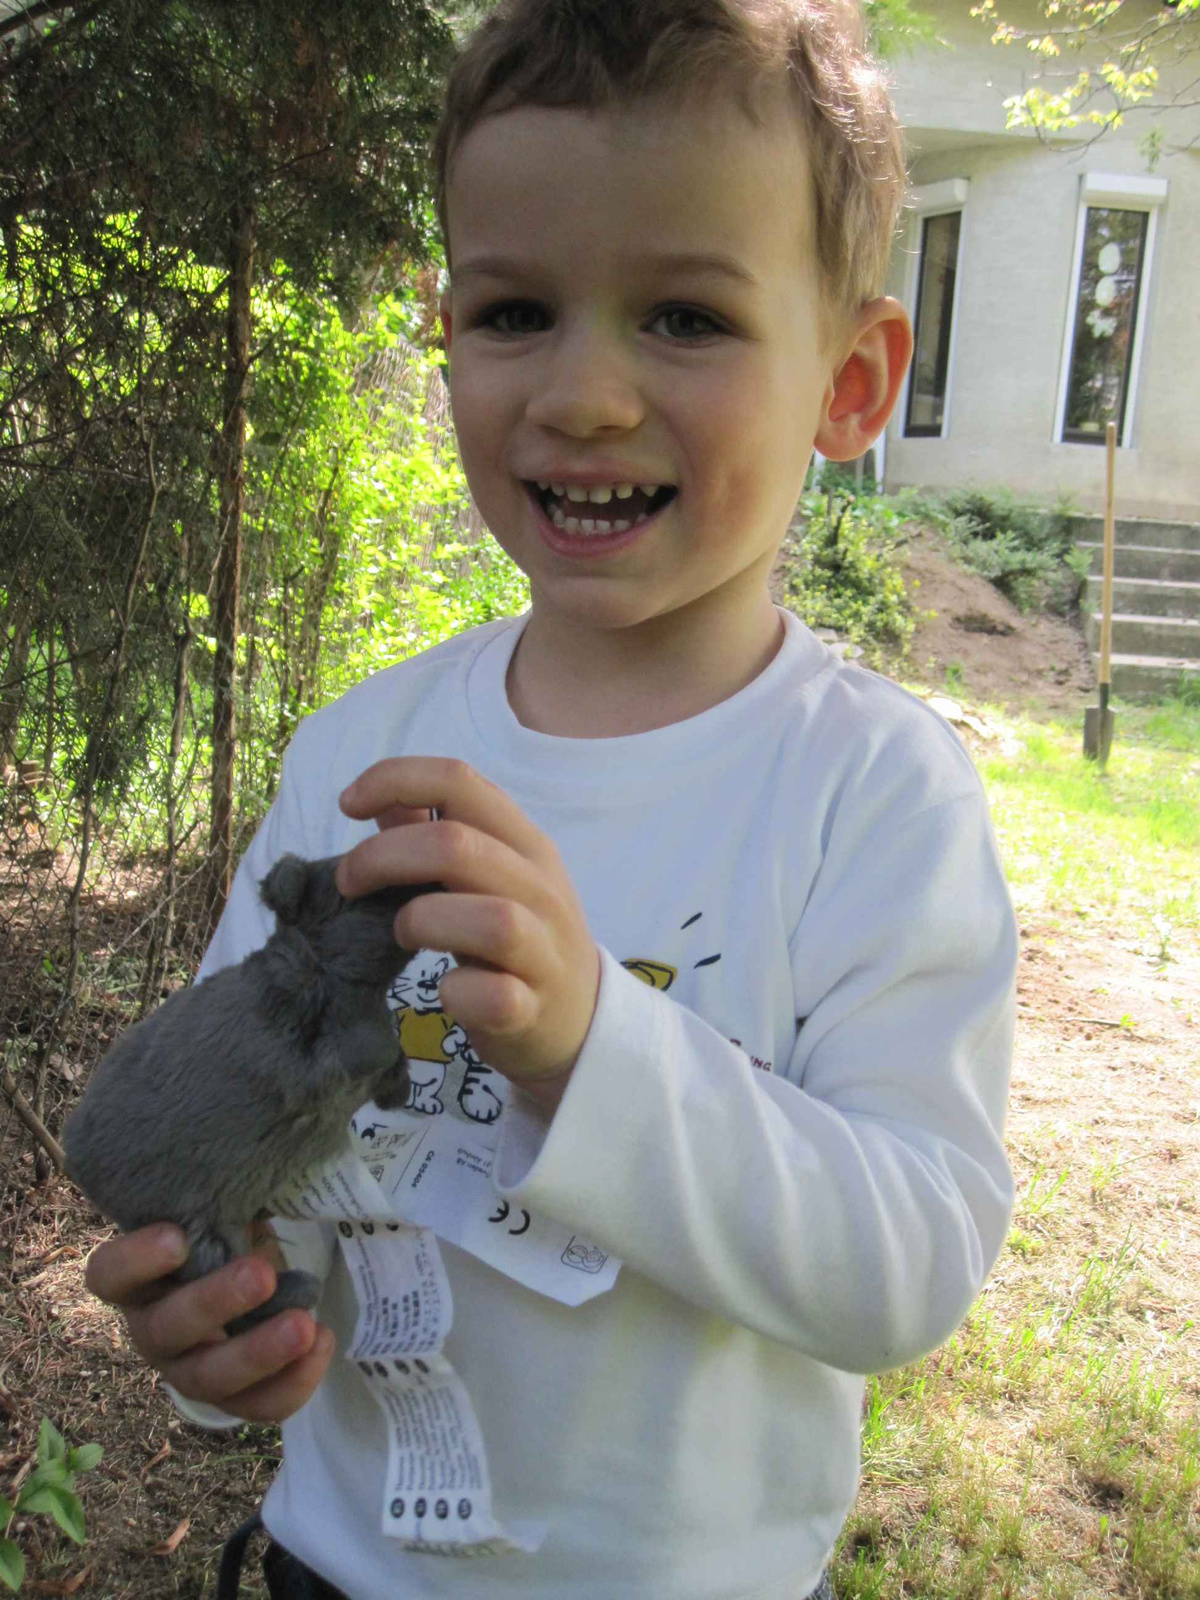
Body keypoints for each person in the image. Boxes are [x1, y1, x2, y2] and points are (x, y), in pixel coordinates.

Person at [84, 1, 1018, 1596]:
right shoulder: (358, 761)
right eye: (516, 312)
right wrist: (210, 1331)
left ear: (850, 384)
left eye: (687, 320)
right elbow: (246, 1138)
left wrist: (598, 1045)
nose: (584, 394)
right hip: (339, 1562)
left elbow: (910, 1262)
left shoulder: (870, 795)